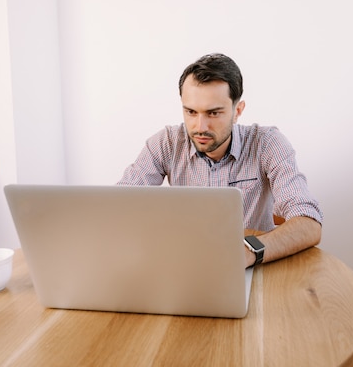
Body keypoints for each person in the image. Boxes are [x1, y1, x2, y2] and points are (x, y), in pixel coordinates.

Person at [117, 53, 323, 268]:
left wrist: (248, 252)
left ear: (237, 111)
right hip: (185, 266)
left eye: (213, 113)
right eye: (191, 112)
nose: (200, 127)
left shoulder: (267, 144)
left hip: (254, 269)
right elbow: (118, 209)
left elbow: (309, 224)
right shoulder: (166, 143)